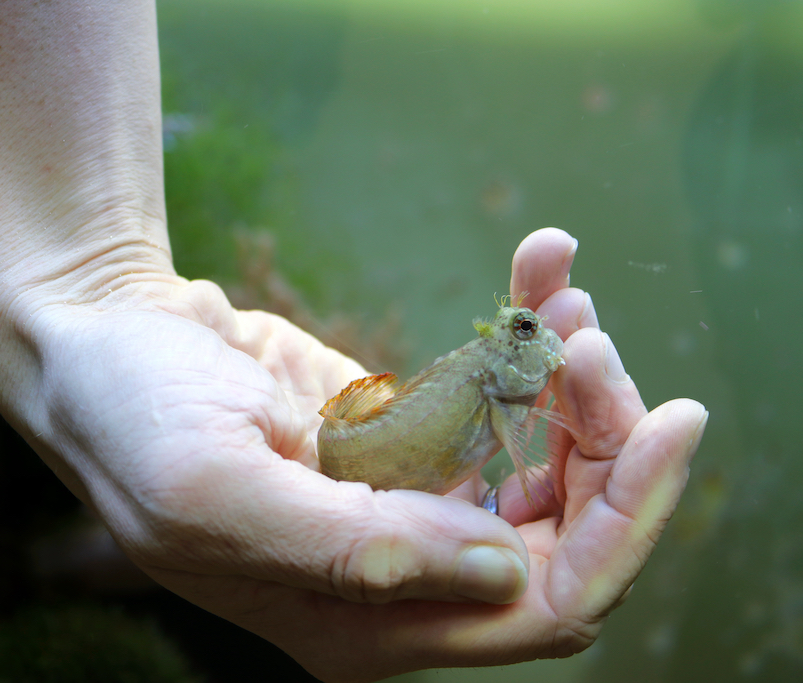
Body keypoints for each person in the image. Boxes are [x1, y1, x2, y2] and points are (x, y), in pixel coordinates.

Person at [0, 2, 708, 681]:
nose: (540, 336)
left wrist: (94, 283)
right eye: (522, 330)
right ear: (501, 356)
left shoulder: (493, 382)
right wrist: (88, 291)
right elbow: (503, 441)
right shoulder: (495, 387)